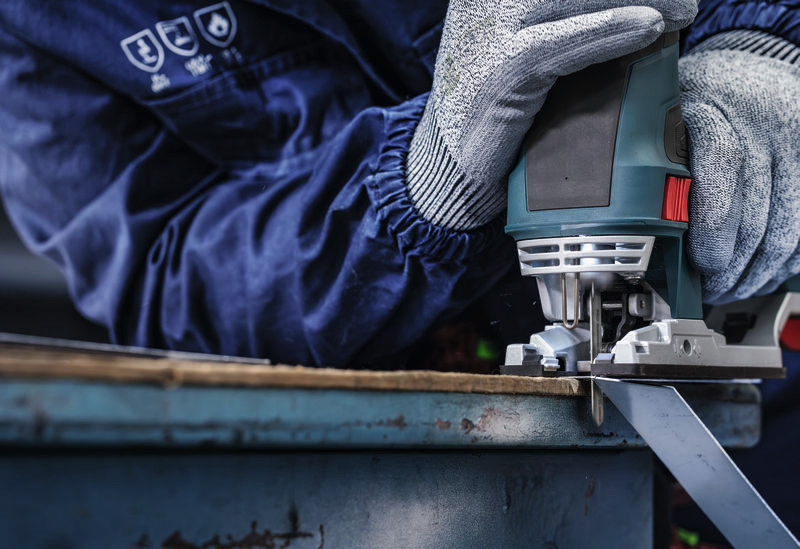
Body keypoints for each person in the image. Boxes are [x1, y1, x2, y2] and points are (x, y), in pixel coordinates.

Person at [0, 0, 798, 370]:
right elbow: (164, 277)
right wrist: (428, 185)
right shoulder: (31, 22)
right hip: (436, 420)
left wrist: (767, 49)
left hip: (764, 332)